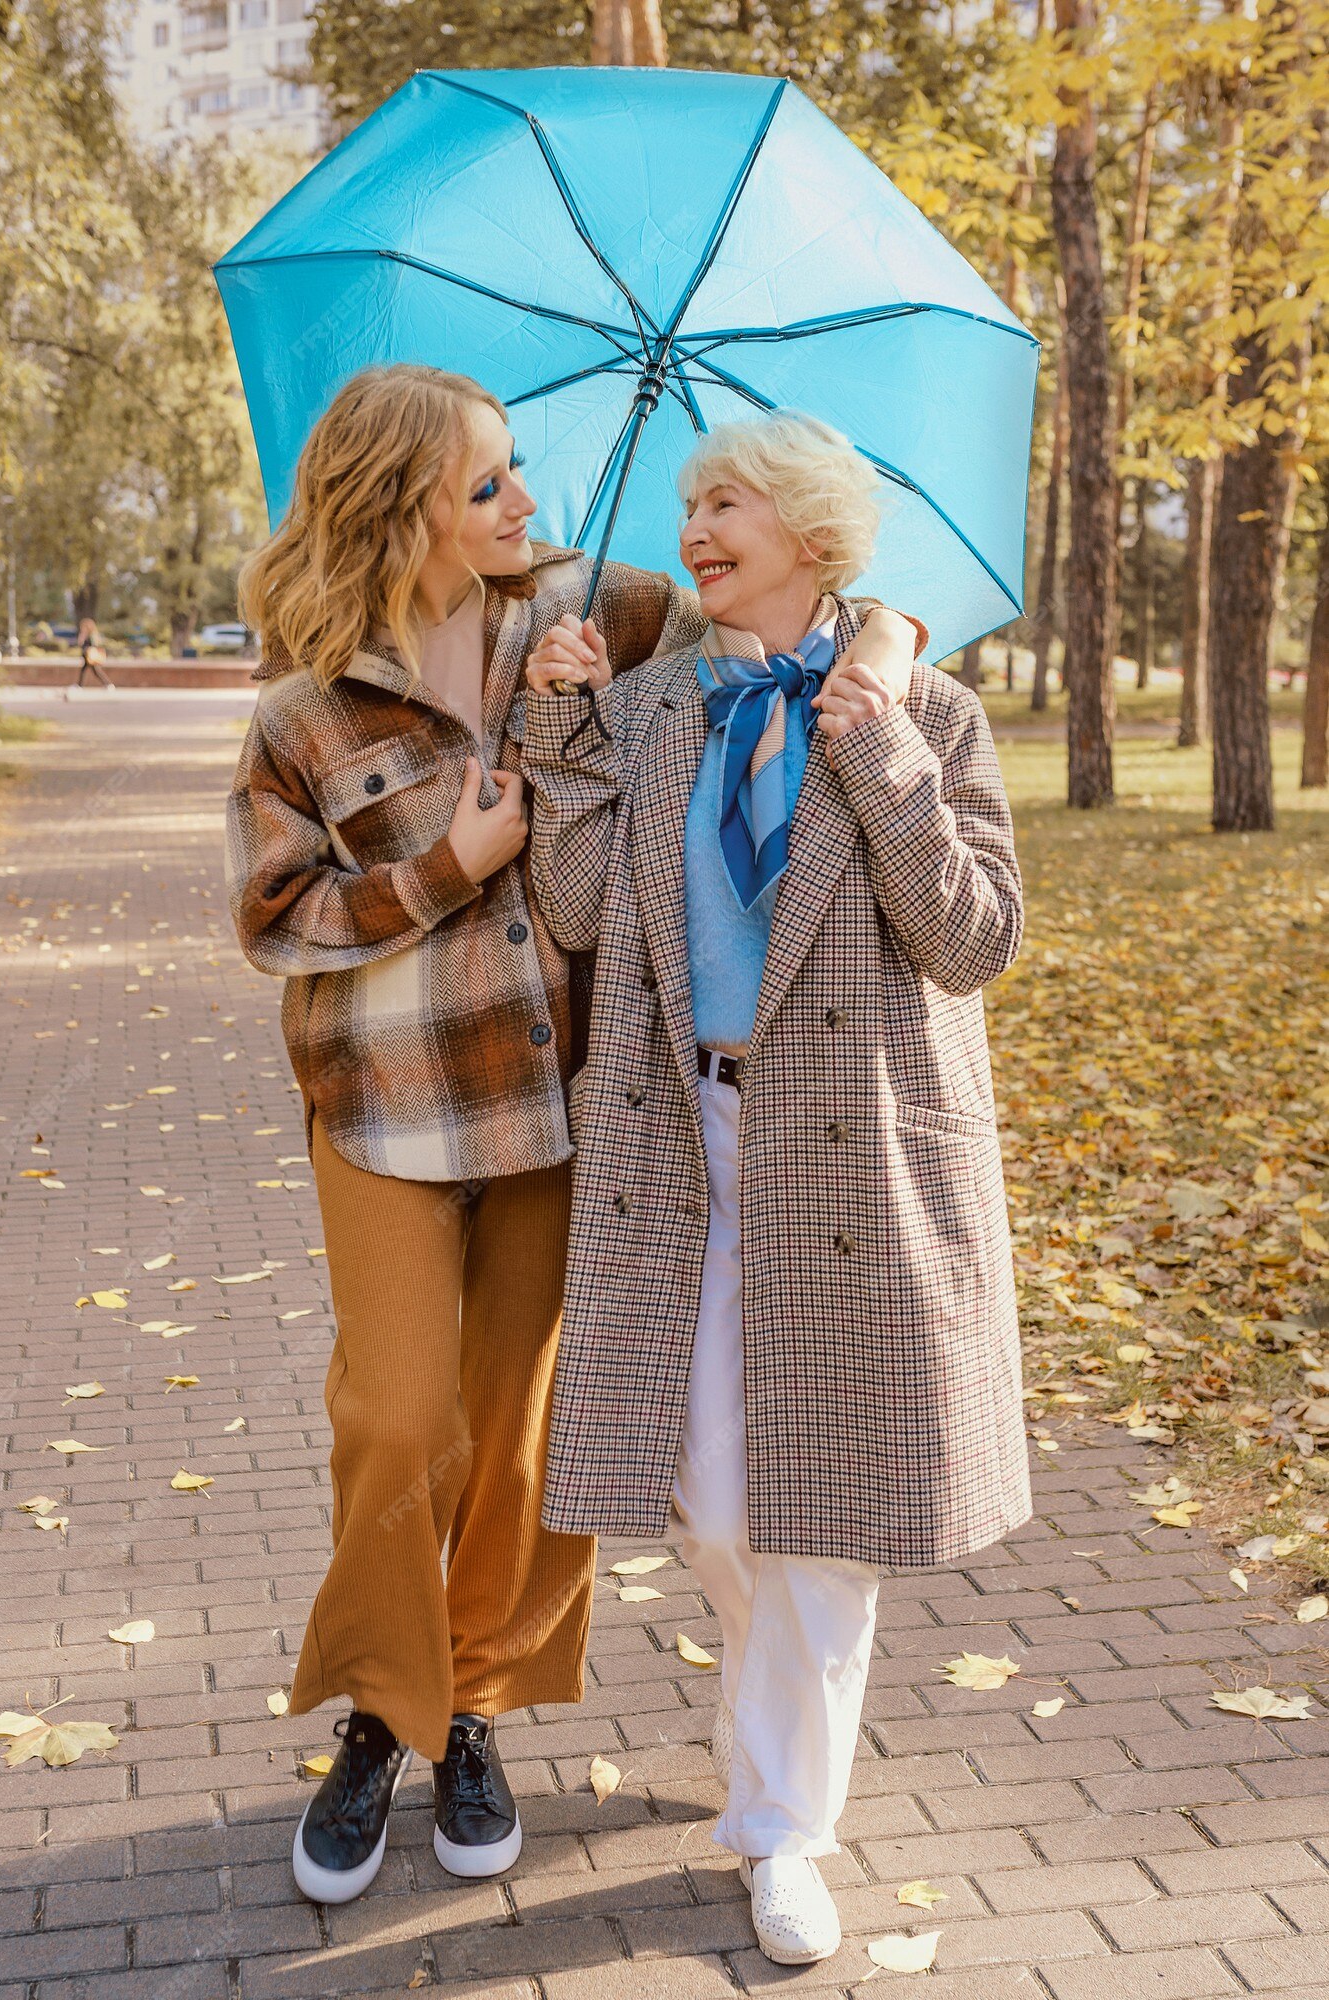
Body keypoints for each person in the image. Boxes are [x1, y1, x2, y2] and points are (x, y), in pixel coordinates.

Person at [225, 365, 905, 1907]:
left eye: (519, 472)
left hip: (569, 1102)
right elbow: (275, 921)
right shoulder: (304, 702)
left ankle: (468, 1705)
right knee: (401, 1422)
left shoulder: (592, 605)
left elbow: (807, 600)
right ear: (404, 506)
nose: (526, 500)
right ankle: (378, 1710)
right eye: (487, 483)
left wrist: (893, 641)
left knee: (528, 1437)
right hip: (389, 1101)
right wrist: (451, 867)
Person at [522, 412, 1032, 1966]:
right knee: (713, 1492)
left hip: (855, 1160)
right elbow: (574, 909)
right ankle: (772, 1746)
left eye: (724, 498)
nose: (694, 523)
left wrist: (870, 729)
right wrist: (559, 744)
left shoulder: (929, 710)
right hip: (680, 1143)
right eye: (686, 501)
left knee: (816, 1517)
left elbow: (972, 937)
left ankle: (785, 1829)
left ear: (810, 529)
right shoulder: (658, 700)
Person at [76, 617, 113, 689]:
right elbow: (80, 644)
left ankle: (109, 684)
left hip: (91, 656)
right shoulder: (84, 635)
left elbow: (94, 645)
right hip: (87, 656)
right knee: (88, 671)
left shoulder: (92, 635)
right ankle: (80, 685)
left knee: (95, 671)